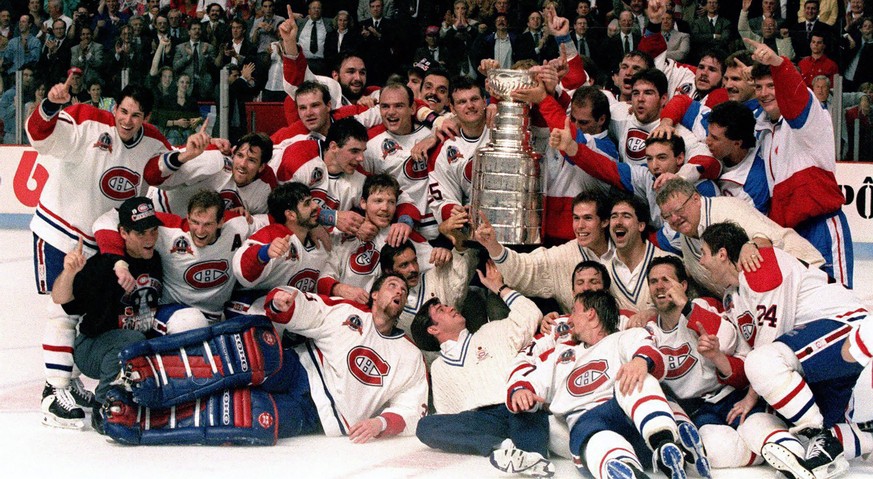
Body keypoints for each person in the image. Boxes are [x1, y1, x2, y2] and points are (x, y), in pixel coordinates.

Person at [27, 77, 210, 429]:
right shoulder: (86, 120)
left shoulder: (153, 140)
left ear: (146, 117)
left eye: (136, 115)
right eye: (123, 111)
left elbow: (155, 171)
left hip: (101, 240)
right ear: (114, 107)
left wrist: (187, 153)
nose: (126, 120)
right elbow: (41, 136)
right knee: (60, 311)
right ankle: (54, 390)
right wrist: (51, 105)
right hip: (59, 229)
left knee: (82, 315)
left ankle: (69, 379)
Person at [100, 273, 428, 445]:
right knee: (252, 349)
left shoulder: (410, 356)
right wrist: (285, 302)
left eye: (403, 291)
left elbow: (411, 409)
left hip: (319, 416)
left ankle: (136, 419)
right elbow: (309, 310)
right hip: (299, 371)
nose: (398, 292)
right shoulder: (348, 313)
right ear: (375, 294)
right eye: (391, 286)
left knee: (244, 415)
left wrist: (380, 423)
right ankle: (148, 375)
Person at [698, 221, 867, 479]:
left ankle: (815, 431)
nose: (700, 262)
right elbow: (749, 356)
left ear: (722, 254)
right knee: (813, 425)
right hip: (811, 349)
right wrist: (719, 357)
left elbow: (768, 343)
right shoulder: (733, 297)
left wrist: (751, 398)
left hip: (843, 324)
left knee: (765, 366)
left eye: (704, 253)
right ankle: (850, 438)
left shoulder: (760, 265)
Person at [506, 290, 690, 479]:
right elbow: (532, 377)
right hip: (587, 421)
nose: (569, 320)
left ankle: (663, 441)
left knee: (638, 377)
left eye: (574, 312)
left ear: (591, 314)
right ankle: (625, 468)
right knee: (598, 441)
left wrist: (640, 361)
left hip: (627, 416)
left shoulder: (624, 337)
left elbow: (647, 349)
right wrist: (521, 391)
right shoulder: (560, 355)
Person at [644, 256, 803, 471]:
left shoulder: (702, 305)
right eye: (653, 282)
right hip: (699, 411)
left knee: (759, 428)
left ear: (683, 285)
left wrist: (685, 306)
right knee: (715, 446)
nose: (660, 286)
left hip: (732, 396)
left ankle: (799, 460)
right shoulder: (649, 331)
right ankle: (762, 455)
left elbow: (728, 339)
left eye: (666, 280)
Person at [411, 260, 552, 478]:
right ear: (432, 328)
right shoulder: (439, 368)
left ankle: (532, 458)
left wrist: (499, 287)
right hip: (483, 423)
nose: (451, 308)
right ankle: (503, 447)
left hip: (514, 404)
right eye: (441, 310)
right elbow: (451, 416)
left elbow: (530, 313)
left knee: (523, 410)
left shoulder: (492, 330)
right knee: (426, 427)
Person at [747, 37, 853, 288]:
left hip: (821, 228)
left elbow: (795, 99)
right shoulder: (764, 130)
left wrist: (778, 63)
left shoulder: (809, 116)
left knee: (838, 301)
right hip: (789, 236)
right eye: (759, 87)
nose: (764, 93)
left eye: (771, 85)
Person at [51, 196, 163, 432]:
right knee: (131, 340)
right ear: (123, 233)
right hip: (93, 349)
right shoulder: (103, 267)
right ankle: (103, 404)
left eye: (153, 231)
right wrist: (69, 273)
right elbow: (61, 300)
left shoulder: (157, 260)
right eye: (141, 233)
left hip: (135, 348)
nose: (150, 239)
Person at [93, 189, 268, 332]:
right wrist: (119, 262)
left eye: (207, 224)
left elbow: (272, 222)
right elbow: (106, 220)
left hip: (217, 314)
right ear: (187, 215)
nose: (199, 231)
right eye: (195, 222)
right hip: (174, 314)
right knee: (191, 322)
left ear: (221, 221)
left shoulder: (238, 224)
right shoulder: (167, 230)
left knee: (263, 316)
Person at [654, 177, 824, 297]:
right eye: (667, 216)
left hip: (808, 278)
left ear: (696, 199)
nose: (674, 219)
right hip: (760, 301)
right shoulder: (686, 239)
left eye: (679, 210)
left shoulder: (727, 208)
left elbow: (766, 239)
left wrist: (751, 245)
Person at [477, 191, 612, 316]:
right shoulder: (563, 256)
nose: (580, 226)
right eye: (576, 218)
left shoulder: (625, 251)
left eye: (588, 218)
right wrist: (493, 245)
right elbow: (525, 268)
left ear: (605, 221)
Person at [153, 131, 275, 215]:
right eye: (240, 155)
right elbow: (161, 170)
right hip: (159, 208)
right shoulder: (213, 160)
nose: (242, 164)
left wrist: (246, 218)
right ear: (233, 152)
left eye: (252, 160)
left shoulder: (264, 189)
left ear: (261, 167)